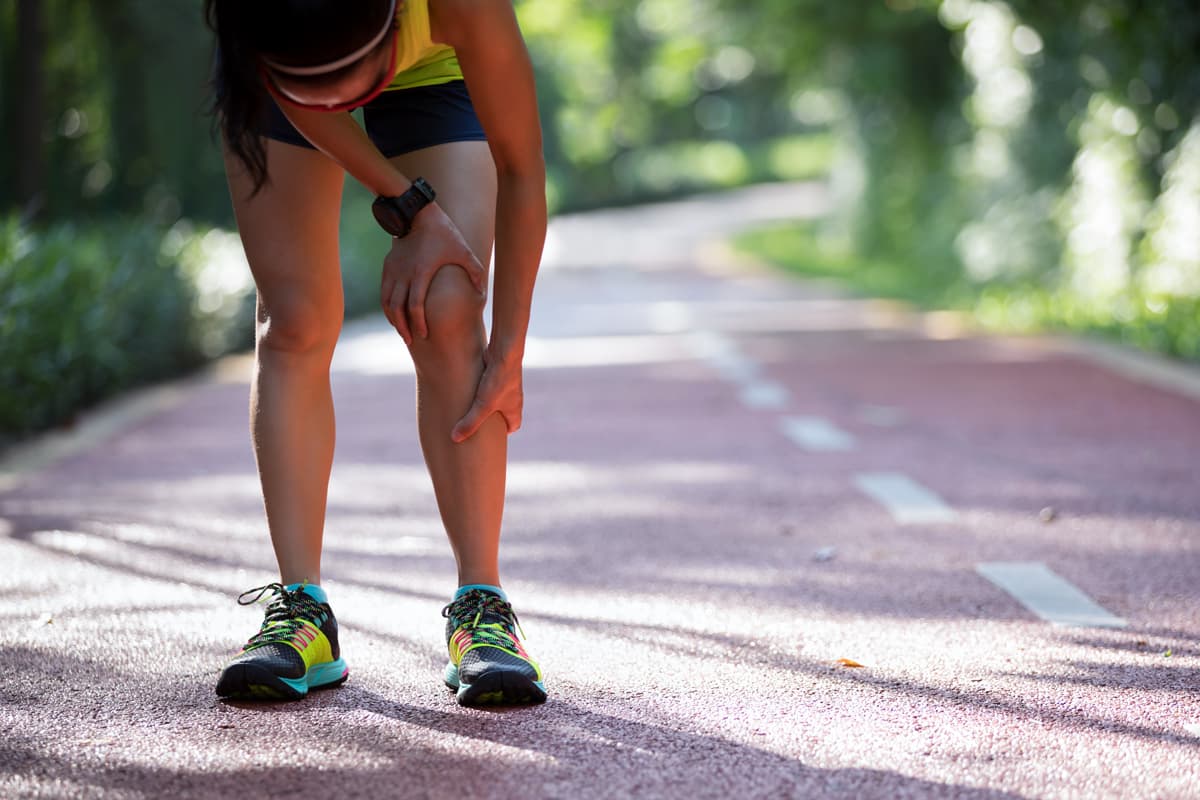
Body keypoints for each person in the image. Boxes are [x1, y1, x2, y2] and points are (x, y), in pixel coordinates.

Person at [205, 0, 547, 706]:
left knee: (448, 303)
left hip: (433, 74)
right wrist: (409, 206)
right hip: (278, 65)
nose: (344, 103)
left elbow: (521, 167)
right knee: (294, 321)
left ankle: (482, 607)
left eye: (352, 83)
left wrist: (509, 350)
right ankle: (303, 610)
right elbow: (306, 96)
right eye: (324, 88)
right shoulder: (257, 24)